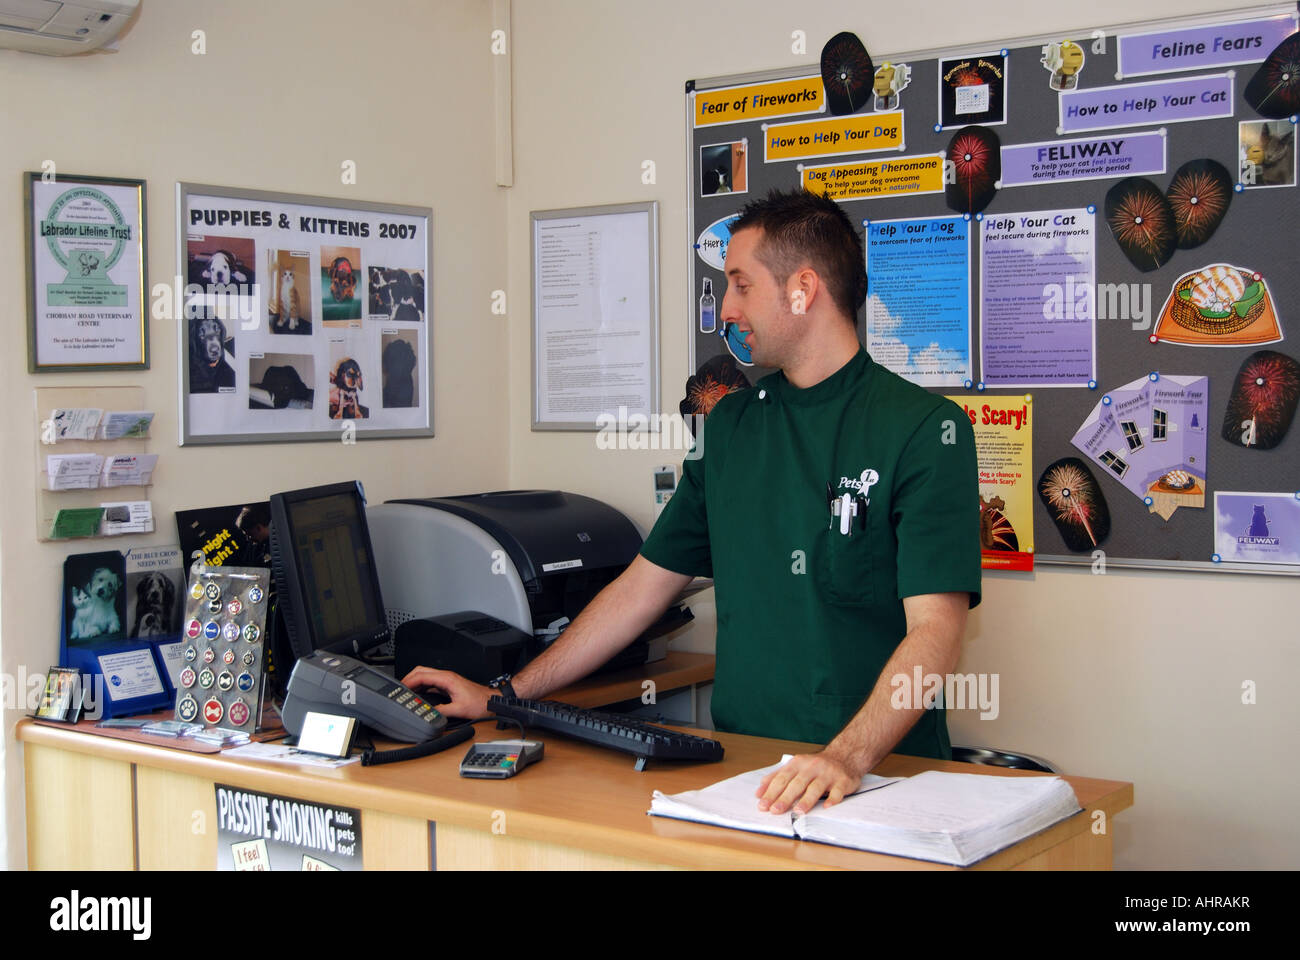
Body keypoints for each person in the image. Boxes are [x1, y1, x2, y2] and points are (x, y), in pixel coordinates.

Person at [403, 189, 980, 817]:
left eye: (739, 283)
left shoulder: (925, 430)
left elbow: (937, 631)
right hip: (745, 778)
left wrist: (845, 757)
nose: (726, 307)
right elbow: (640, 591)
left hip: (880, 785)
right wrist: (506, 696)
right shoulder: (730, 430)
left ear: (802, 289)